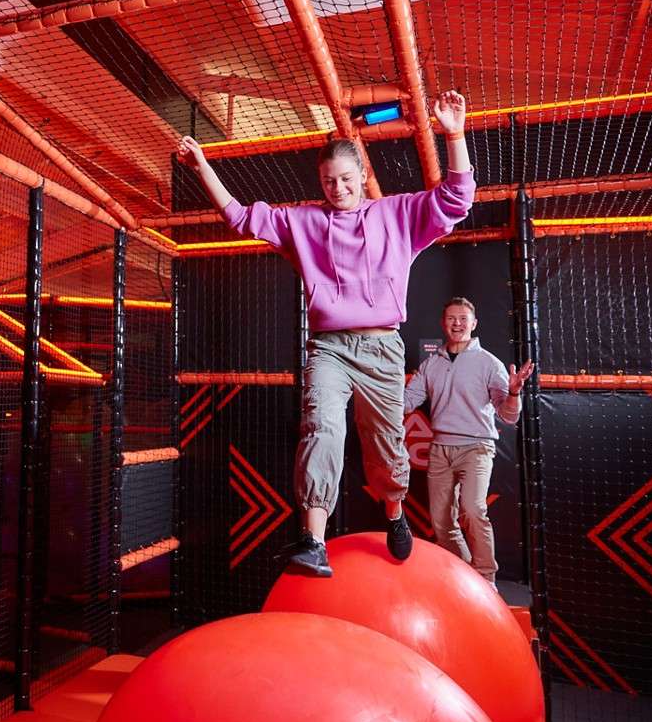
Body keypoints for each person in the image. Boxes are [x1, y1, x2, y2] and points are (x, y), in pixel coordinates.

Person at [177, 91, 474, 577]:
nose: (338, 188)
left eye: (346, 180)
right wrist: (203, 165)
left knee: (385, 447)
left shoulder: (395, 216)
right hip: (330, 348)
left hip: (381, 348)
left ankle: (395, 513)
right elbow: (237, 216)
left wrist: (455, 135)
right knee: (323, 427)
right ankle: (313, 540)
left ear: (362, 178)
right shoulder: (304, 222)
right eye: (328, 181)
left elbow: (456, 199)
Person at [403, 297, 534, 588]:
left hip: (476, 448)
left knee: (473, 510)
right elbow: (408, 401)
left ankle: (486, 582)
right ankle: (462, 582)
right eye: (451, 318)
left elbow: (508, 416)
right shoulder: (431, 364)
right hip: (440, 449)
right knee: (441, 523)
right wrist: (374, 391)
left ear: (474, 324)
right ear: (443, 323)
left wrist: (513, 394)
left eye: (463, 318)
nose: (457, 323)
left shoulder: (489, 363)